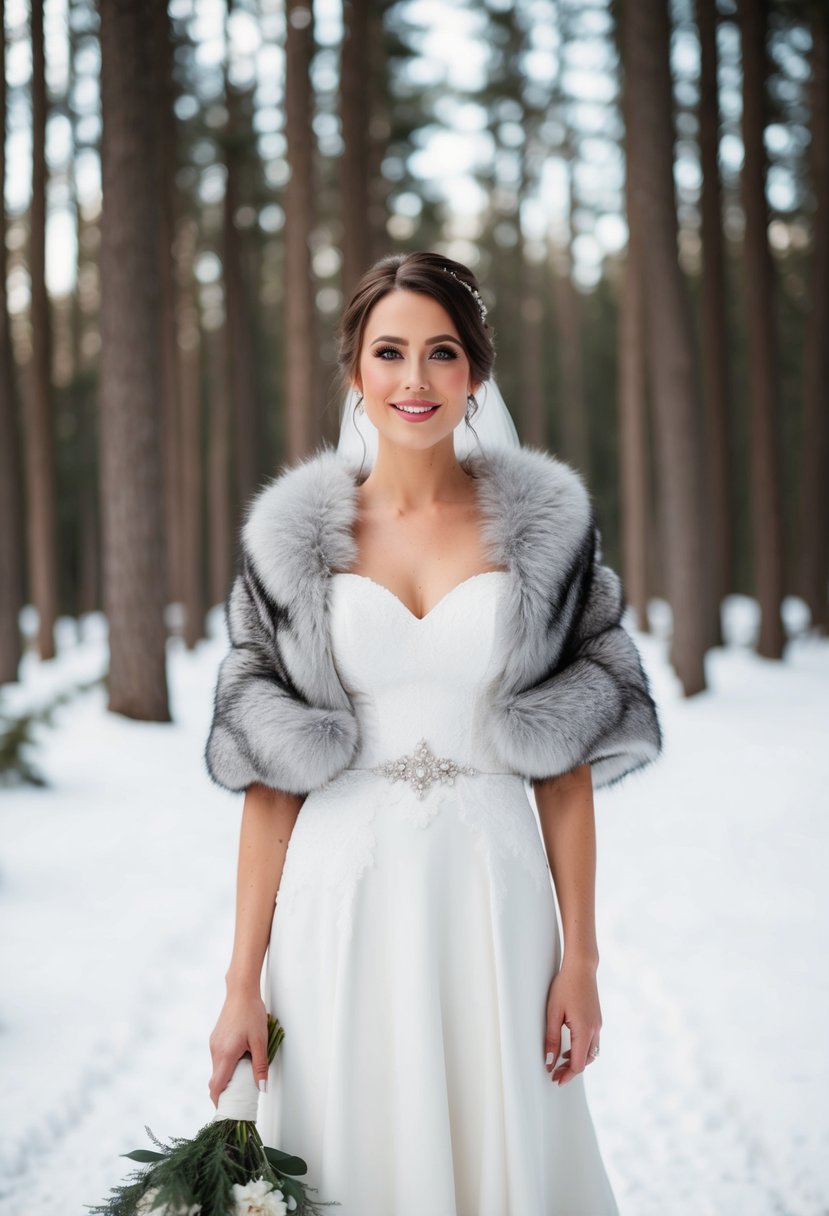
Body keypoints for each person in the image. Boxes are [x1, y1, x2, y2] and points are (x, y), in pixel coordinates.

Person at [204, 250, 662, 1215]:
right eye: (389, 353)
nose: (414, 380)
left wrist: (578, 957)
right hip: (340, 902)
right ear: (355, 373)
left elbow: (563, 770)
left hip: (492, 900)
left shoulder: (546, 538)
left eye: (441, 352)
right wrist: (242, 982)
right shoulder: (288, 548)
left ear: (476, 372)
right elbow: (268, 784)